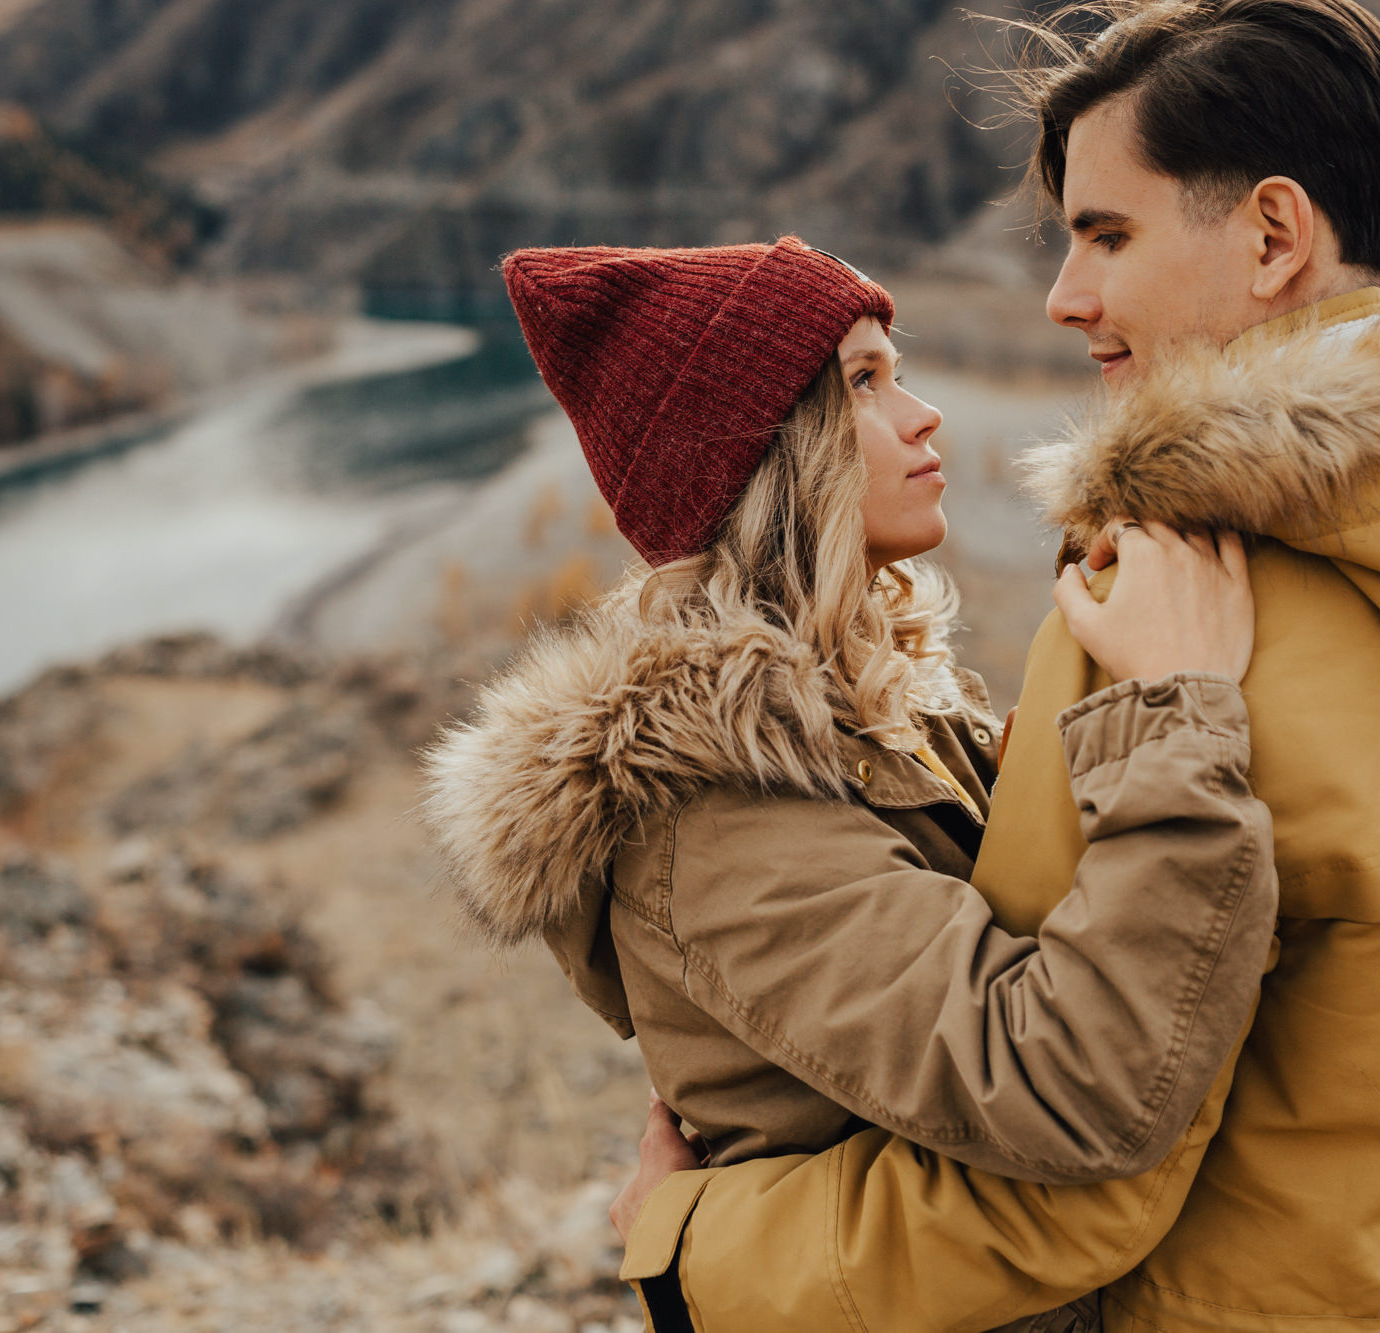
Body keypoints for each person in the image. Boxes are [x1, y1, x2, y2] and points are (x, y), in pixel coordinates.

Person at [610, 3, 1380, 1331]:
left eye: (1107, 235)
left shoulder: (1161, 618)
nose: (1062, 297)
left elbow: (1066, 1165)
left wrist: (700, 1246)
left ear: (1274, 235)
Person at [419, 237, 1279, 1329]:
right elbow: (1067, 1085)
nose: (922, 417)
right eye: (863, 385)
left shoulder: (877, 720)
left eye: (897, 371)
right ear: (763, 456)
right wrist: (1171, 719)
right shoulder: (720, 813)